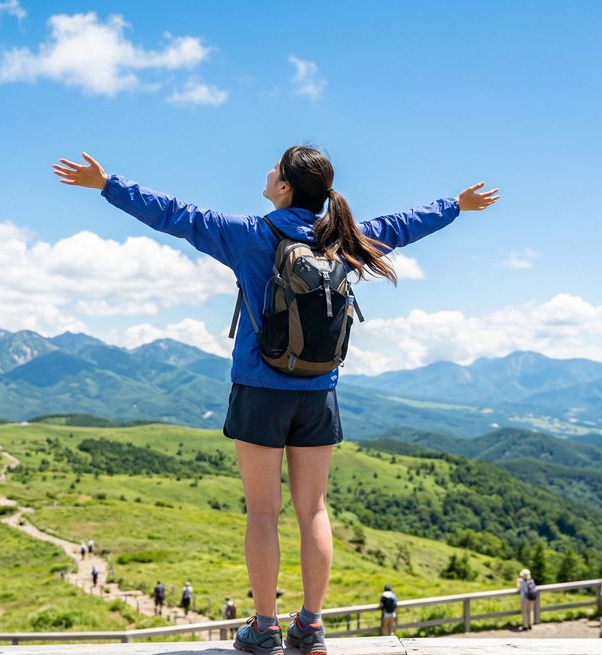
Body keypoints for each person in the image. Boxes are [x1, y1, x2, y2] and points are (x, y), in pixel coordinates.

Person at [54, 146, 498, 655]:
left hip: (260, 391)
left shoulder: (249, 235)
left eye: (274, 168)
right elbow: (401, 225)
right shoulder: (343, 239)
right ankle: (310, 626)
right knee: (314, 510)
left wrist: (108, 184)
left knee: (263, 512)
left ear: (284, 187)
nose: (267, 172)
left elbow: (176, 215)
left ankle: (264, 627)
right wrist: (455, 205)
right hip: (318, 393)